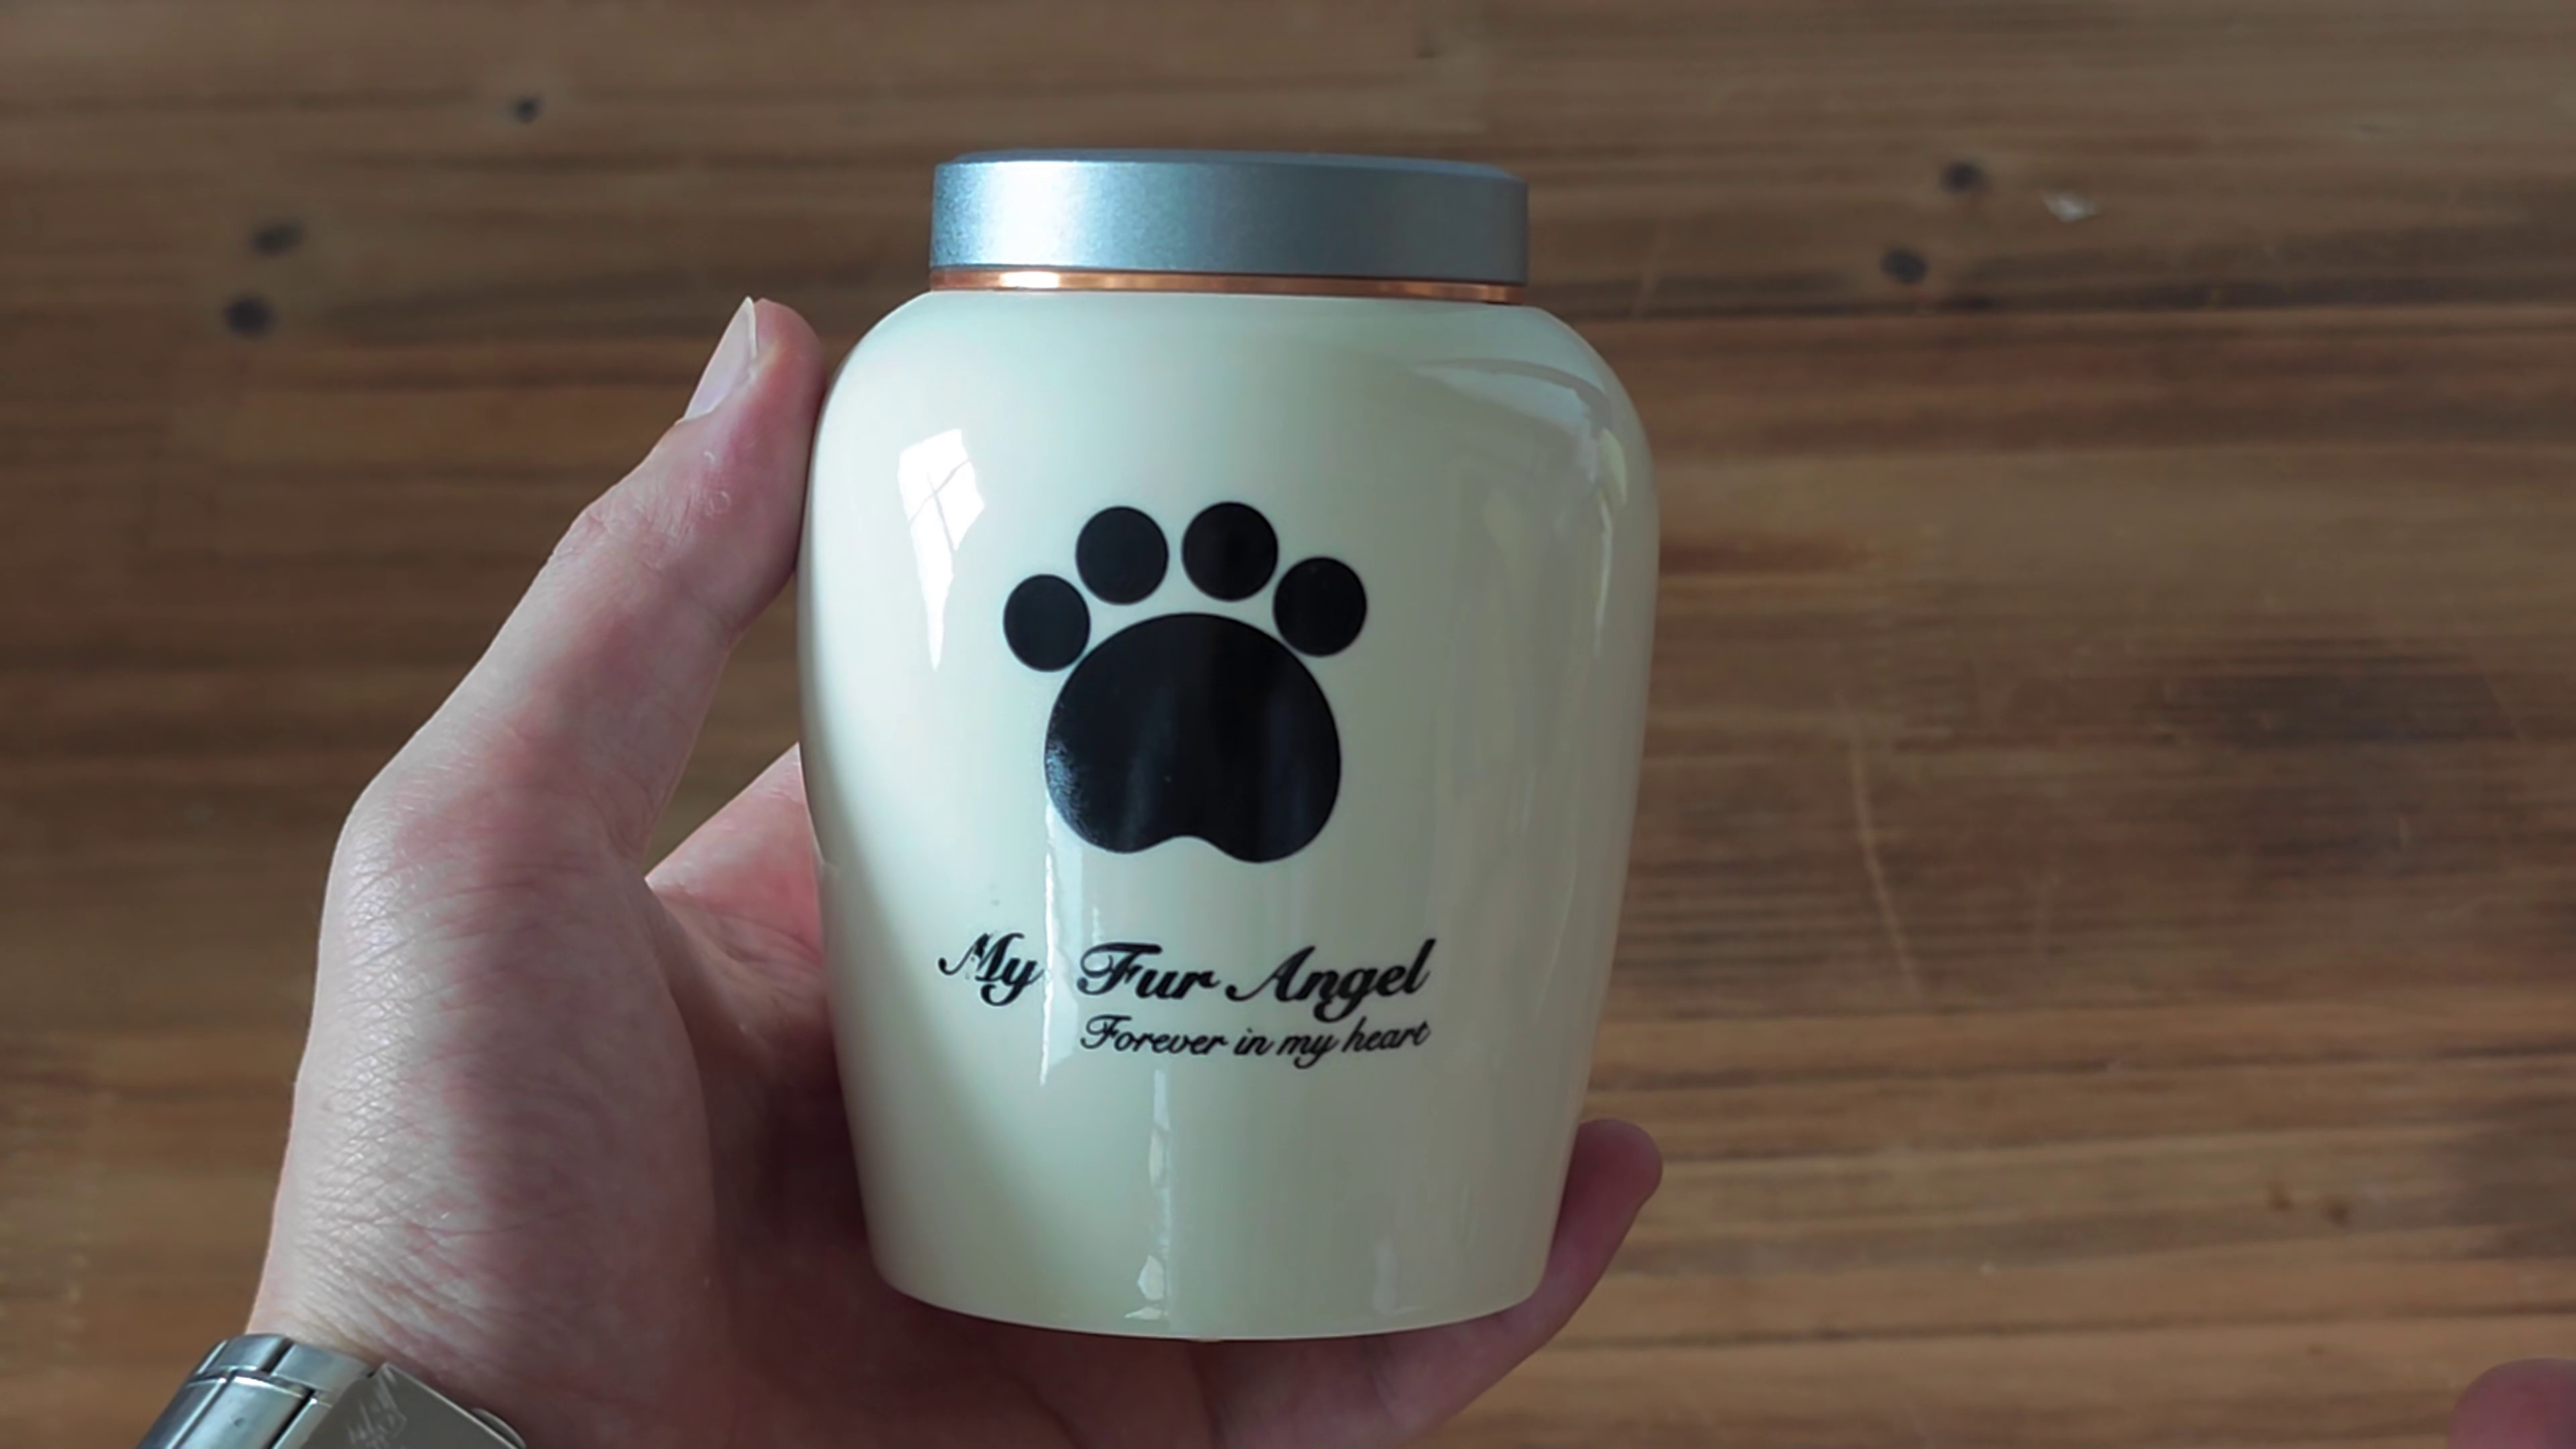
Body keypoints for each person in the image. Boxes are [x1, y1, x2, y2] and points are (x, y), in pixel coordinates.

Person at [246, 301, 2571, 1448]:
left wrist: (420, 1392)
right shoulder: (968, 393)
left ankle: (1171, 716)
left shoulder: (1525, 405)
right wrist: (453, 1365)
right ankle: (1230, 715)